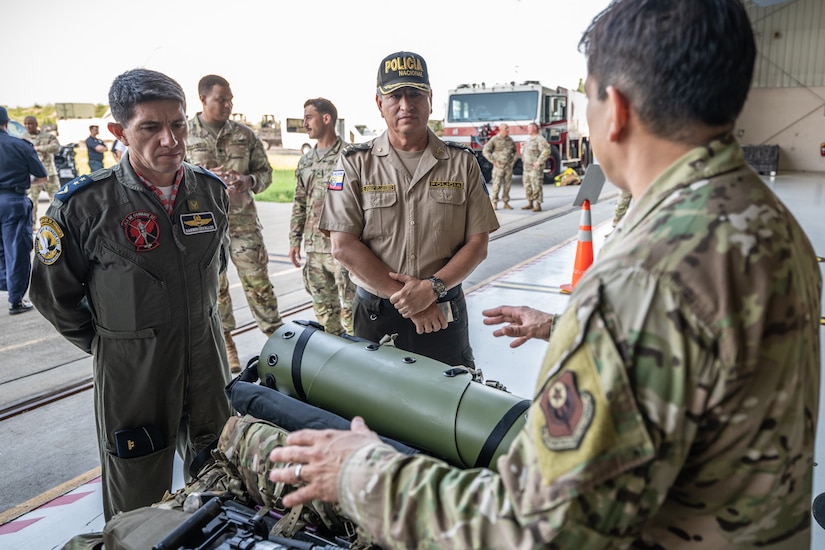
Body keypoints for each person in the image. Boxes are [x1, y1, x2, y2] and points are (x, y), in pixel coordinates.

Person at [267, 2, 822, 547]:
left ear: (617, 108)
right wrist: (567, 328)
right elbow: (694, 350)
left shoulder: (642, 278)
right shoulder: (766, 222)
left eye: (588, 94)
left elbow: (536, 525)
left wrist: (362, 472)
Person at [29, 68, 233, 521]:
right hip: (132, 372)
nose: (170, 140)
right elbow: (52, 296)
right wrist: (113, 343)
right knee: (137, 502)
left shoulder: (210, 192)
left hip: (205, 358)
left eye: (178, 124)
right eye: (151, 127)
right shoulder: (84, 206)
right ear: (120, 131)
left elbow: (215, 265)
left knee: (225, 477)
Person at [318, 51, 499, 367]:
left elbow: (477, 245)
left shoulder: (461, 162)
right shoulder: (354, 163)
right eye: (395, 95)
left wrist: (432, 289)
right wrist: (413, 302)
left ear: (430, 99)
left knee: (449, 407)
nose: (406, 104)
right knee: (372, 408)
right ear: (379, 103)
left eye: (415, 94)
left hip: (443, 313)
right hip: (377, 316)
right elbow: (343, 246)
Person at [185, 74, 283, 373]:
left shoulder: (245, 135)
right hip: (202, 226)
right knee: (216, 288)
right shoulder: (183, 134)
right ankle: (227, 344)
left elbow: (265, 173)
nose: (228, 105)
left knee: (258, 283)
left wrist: (247, 180)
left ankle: (278, 340)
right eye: (221, 99)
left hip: (242, 224)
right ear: (203, 99)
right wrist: (200, 178)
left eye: (230, 99)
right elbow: (170, 178)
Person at [288, 98, 355, 336]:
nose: (304, 123)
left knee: (352, 314)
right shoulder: (306, 160)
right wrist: (294, 241)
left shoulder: (350, 156)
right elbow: (299, 202)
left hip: (344, 248)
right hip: (314, 250)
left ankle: (358, 364)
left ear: (326, 119)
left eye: (309, 117)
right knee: (325, 314)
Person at [0, 106, 47, 315]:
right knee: (17, 251)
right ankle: (16, 300)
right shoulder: (19, 145)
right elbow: (42, 176)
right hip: (13, 201)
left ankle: (6, 282)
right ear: (7, 123)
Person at [22, 115, 60, 227]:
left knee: (56, 199)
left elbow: (56, 147)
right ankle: (32, 224)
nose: (28, 126)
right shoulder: (22, 138)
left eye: (30, 123)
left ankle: (57, 224)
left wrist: (39, 148)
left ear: (36, 124)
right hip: (33, 175)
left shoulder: (47, 136)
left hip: (49, 172)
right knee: (31, 200)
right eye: (26, 124)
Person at [481, 122, 517, 210]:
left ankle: (506, 202)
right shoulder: (494, 139)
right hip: (498, 167)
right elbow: (485, 150)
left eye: (508, 128)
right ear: (501, 130)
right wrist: (493, 161)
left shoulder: (510, 140)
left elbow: (515, 152)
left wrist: (513, 162)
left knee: (507, 185)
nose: (508, 130)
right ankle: (494, 203)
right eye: (506, 129)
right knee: (496, 185)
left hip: (508, 167)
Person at [521, 121, 550, 211]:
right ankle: (530, 203)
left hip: (535, 167)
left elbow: (546, 151)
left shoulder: (540, 139)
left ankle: (538, 204)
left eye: (529, 128)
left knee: (536, 185)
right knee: (527, 185)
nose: (527, 129)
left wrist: (539, 162)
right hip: (527, 167)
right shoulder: (529, 139)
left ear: (535, 128)